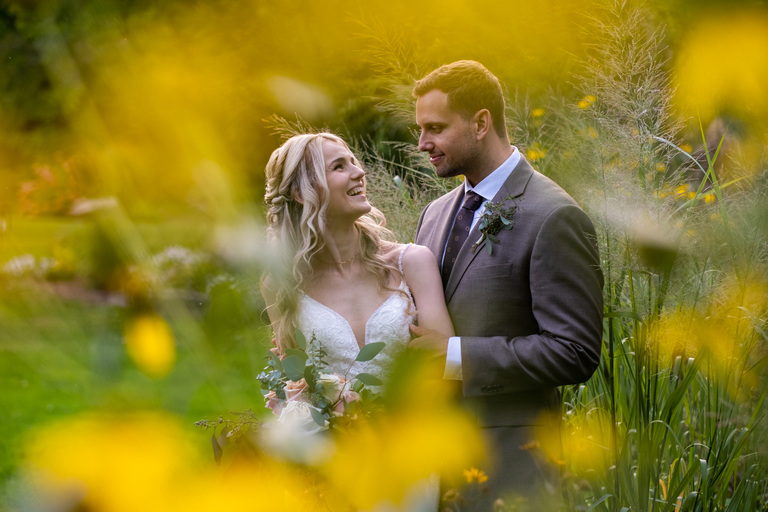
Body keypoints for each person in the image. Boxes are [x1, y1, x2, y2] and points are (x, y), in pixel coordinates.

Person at [408, 60, 604, 508]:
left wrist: (454, 356)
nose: (423, 143)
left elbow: (574, 351)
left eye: (435, 128)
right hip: (430, 470)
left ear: (481, 123)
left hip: (512, 469)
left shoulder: (553, 215)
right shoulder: (434, 214)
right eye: (420, 129)